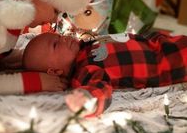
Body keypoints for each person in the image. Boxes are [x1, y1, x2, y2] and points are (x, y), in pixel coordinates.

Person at [22, 31, 187, 117]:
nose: (64, 38)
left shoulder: (85, 46)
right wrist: (86, 101)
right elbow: (99, 89)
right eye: (56, 44)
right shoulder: (84, 70)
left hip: (163, 44)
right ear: (54, 71)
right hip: (172, 63)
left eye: (59, 36)